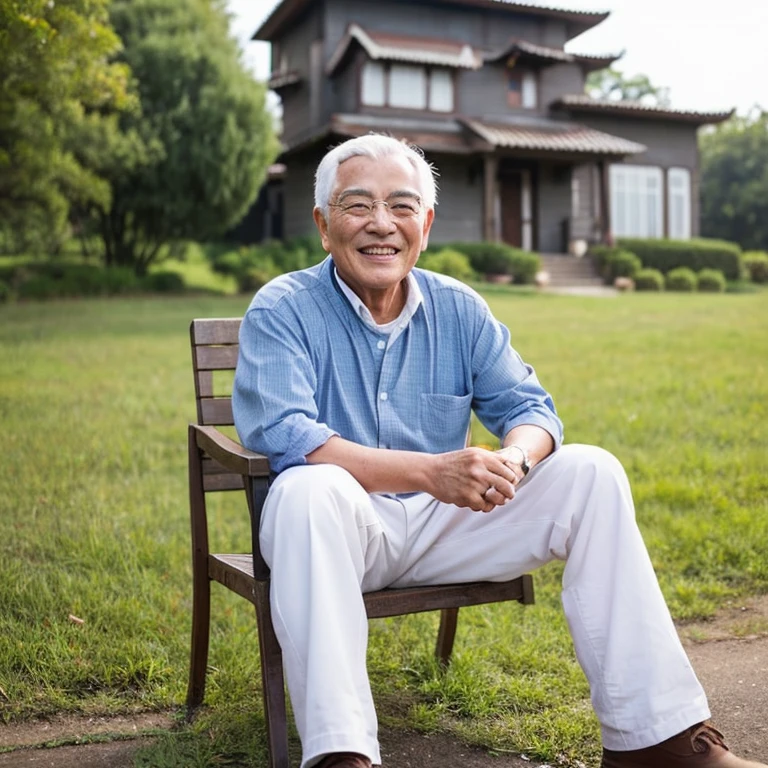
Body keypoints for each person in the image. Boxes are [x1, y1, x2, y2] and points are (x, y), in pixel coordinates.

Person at [232, 133, 765, 768]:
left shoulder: (460, 308)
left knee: (592, 471)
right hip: (338, 532)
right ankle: (343, 754)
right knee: (305, 488)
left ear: (425, 225)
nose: (382, 224)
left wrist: (512, 461)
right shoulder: (285, 308)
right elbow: (287, 436)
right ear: (324, 224)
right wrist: (431, 471)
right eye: (357, 205)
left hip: (447, 528)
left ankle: (660, 742)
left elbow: (533, 411)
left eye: (402, 206)